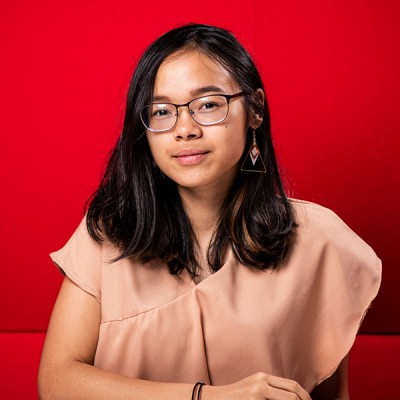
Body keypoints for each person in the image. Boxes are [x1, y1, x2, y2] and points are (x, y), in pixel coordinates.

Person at [38, 24, 381, 400]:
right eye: (162, 111)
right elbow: (56, 382)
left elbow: (332, 395)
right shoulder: (108, 232)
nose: (184, 129)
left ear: (255, 110)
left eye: (208, 105)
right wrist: (208, 397)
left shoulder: (321, 240)